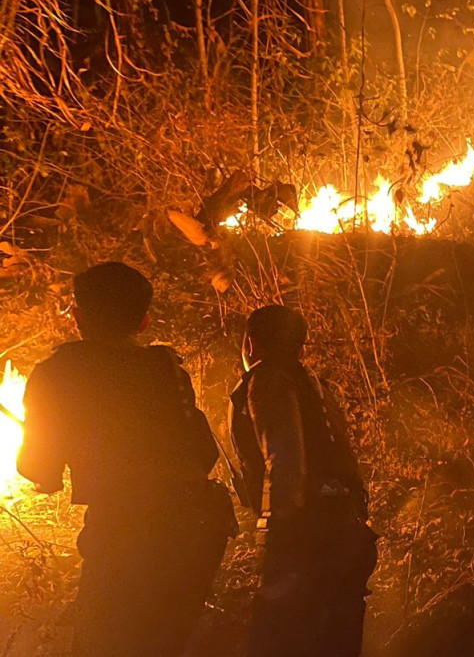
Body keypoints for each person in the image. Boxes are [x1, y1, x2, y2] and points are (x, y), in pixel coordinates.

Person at [17, 262, 235, 657]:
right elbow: (203, 452)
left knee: (105, 641)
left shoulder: (56, 372)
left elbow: (38, 468)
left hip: (123, 533)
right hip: (193, 532)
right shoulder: (168, 368)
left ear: (78, 317)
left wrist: (48, 472)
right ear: (144, 320)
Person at [230, 304, 378, 657]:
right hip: (349, 531)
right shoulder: (315, 385)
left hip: (306, 538)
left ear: (249, 344)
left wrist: (278, 532)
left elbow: (285, 458)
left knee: (278, 642)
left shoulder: (268, 379)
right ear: (301, 349)